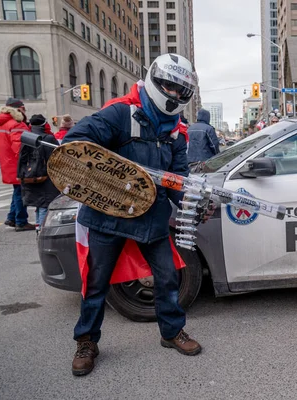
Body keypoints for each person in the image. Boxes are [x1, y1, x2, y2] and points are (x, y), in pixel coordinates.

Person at [62, 53, 201, 377]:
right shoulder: (120, 114)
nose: (174, 95)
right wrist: (111, 179)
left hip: (151, 218)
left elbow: (177, 178)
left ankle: (171, 332)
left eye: (182, 91)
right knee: (96, 284)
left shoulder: (177, 133)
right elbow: (74, 146)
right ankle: (86, 342)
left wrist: (193, 203)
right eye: (169, 86)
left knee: (167, 279)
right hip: (107, 216)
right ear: (155, 81)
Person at [0, 98, 36, 231]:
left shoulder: (1, 123)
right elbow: (20, 147)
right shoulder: (16, 124)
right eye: (24, 108)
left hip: (8, 163)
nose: (25, 111)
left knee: (17, 191)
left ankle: (12, 217)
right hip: (17, 164)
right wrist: (29, 162)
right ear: (19, 109)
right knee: (21, 192)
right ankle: (21, 221)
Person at [17, 114, 60, 231]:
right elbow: (57, 157)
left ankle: (38, 227)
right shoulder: (48, 139)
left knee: (38, 205)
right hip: (46, 177)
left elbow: (21, 158)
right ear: (44, 124)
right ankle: (42, 230)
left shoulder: (26, 138)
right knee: (45, 206)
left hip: (29, 177)